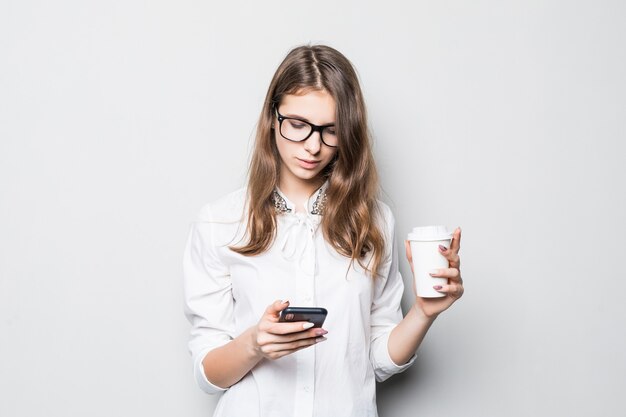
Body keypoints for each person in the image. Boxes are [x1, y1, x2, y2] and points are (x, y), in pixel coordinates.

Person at [183, 44, 464, 417]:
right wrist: (254, 343)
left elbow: (378, 359)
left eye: (330, 130)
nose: (313, 147)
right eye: (298, 125)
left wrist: (425, 312)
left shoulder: (374, 221)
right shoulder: (220, 222)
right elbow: (208, 373)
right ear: (272, 117)